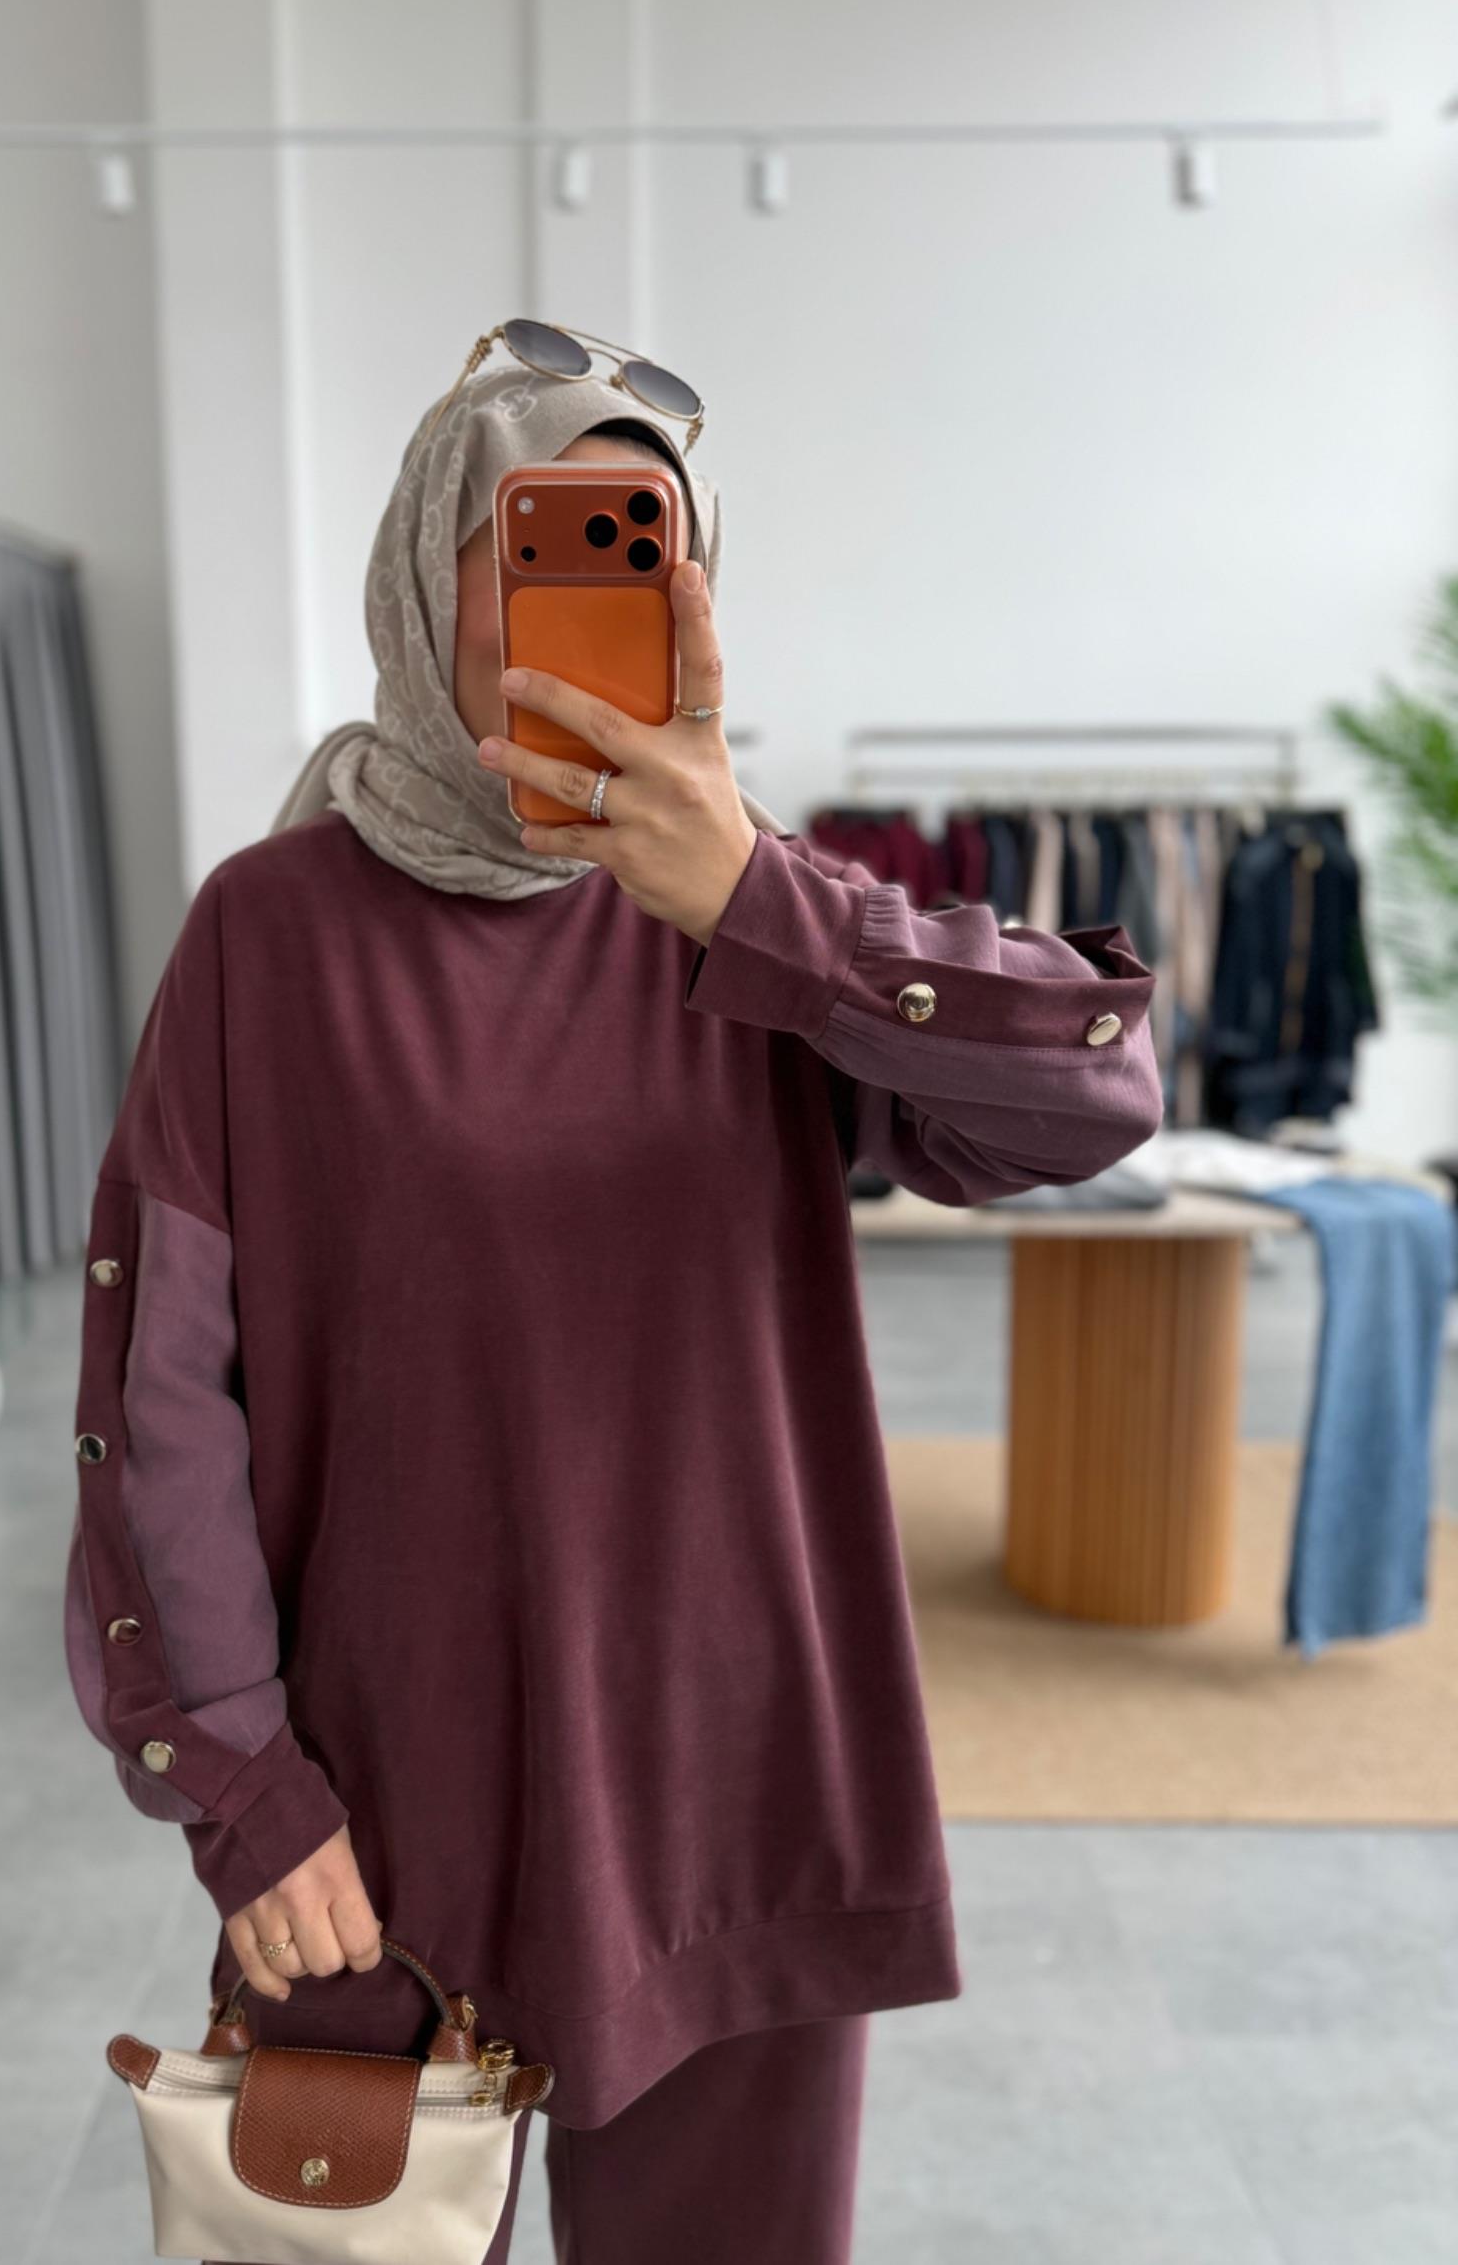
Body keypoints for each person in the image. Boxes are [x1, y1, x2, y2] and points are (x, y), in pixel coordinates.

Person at [63, 348, 1164, 2261]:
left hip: (731, 1789)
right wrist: (243, 1788)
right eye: (548, 543)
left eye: (652, 550)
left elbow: (1098, 1100)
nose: (611, 599)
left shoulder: (767, 924)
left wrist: (763, 907)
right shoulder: (271, 930)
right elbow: (161, 1401)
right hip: (380, 1820)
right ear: (423, 575)